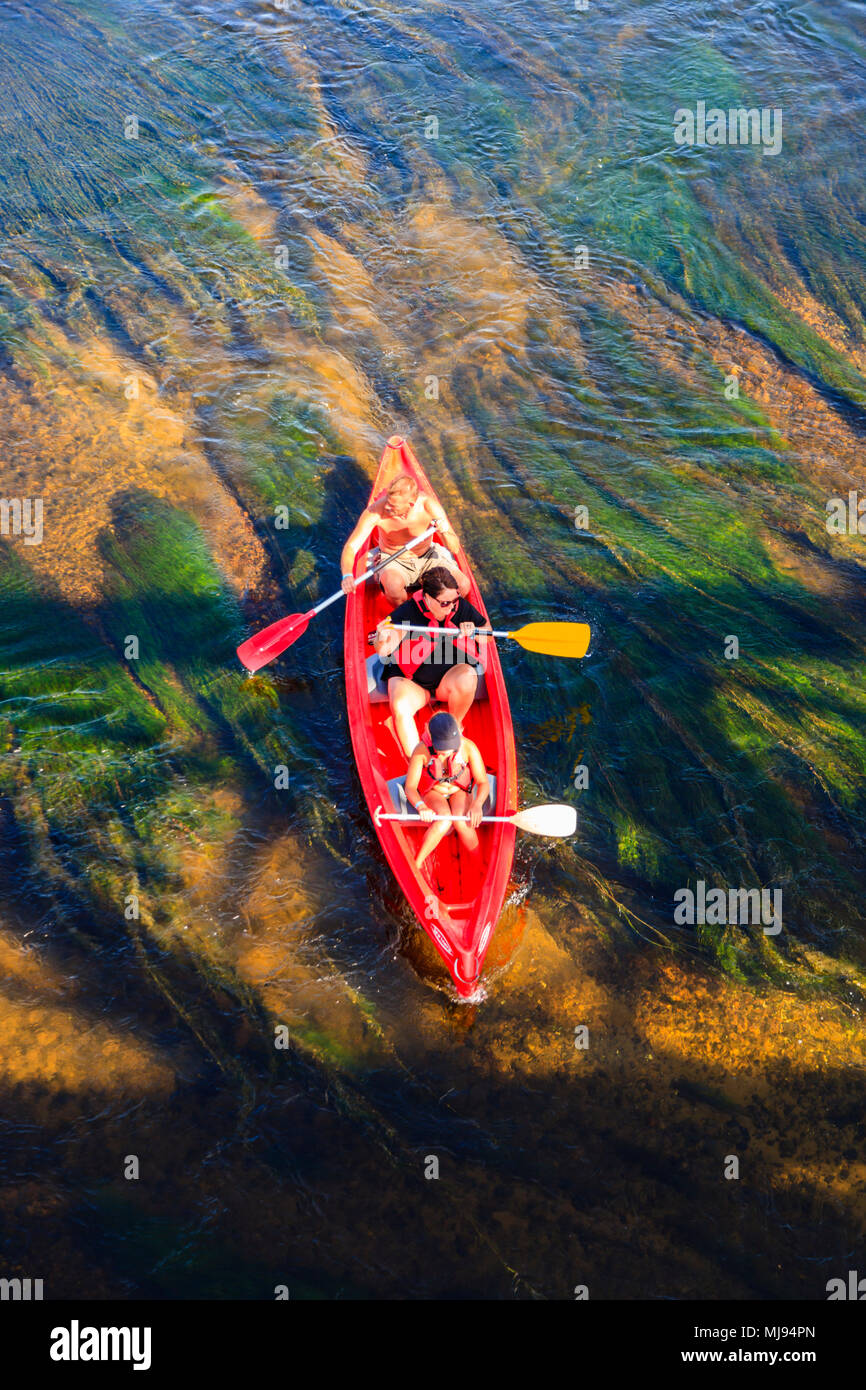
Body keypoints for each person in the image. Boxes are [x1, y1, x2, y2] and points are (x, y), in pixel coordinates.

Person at [375, 566, 491, 757]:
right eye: (445, 603)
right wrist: (381, 638)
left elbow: (488, 636)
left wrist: (476, 632)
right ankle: (419, 760)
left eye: (455, 599)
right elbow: (384, 650)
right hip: (413, 682)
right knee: (400, 706)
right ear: (428, 597)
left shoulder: (459, 606)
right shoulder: (407, 613)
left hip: (447, 682)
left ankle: (454, 728)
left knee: (469, 676)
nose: (452, 606)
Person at [340, 473, 470, 605]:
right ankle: (406, 618)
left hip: (428, 556)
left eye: (393, 506)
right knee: (393, 586)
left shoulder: (428, 506)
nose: (387, 507)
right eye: (387, 501)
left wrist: (445, 531)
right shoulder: (375, 512)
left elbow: (454, 548)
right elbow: (351, 547)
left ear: (411, 504)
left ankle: (440, 614)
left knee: (462, 585)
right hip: (394, 560)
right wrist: (347, 575)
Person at [404, 713, 490, 868]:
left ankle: (480, 866)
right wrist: (421, 806)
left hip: (460, 790)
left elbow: (483, 782)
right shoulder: (421, 751)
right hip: (434, 791)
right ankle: (416, 864)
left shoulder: (468, 747)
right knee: (444, 820)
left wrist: (477, 805)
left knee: (462, 822)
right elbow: (410, 787)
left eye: (452, 749)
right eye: (443, 752)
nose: (448, 754)